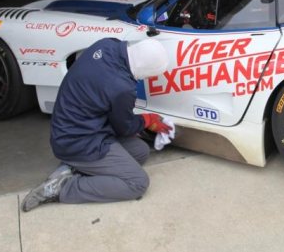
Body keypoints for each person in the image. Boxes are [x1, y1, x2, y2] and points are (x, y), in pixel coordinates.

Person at [20, 37, 171, 212]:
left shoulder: (107, 45)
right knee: (137, 183)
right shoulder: (121, 87)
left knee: (140, 152)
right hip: (79, 143)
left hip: (70, 130)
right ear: (145, 70)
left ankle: (70, 169)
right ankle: (62, 188)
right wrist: (149, 120)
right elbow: (125, 128)